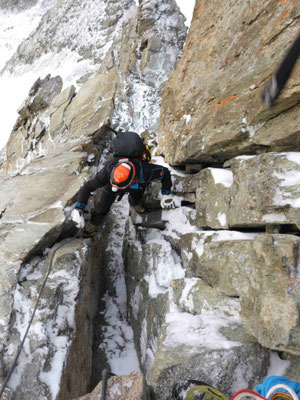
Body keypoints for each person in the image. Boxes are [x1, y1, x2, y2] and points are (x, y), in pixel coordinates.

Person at [70, 156, 175, 235]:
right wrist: (79, 208)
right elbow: (87, 187)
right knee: (102, 207)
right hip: (110, 187)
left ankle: (135, 205)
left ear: (131, 180)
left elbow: (165, 173)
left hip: (136, 186)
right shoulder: (108, 170)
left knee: (136, 197)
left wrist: (166, 194)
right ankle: (93, 224)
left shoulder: (145, 171)